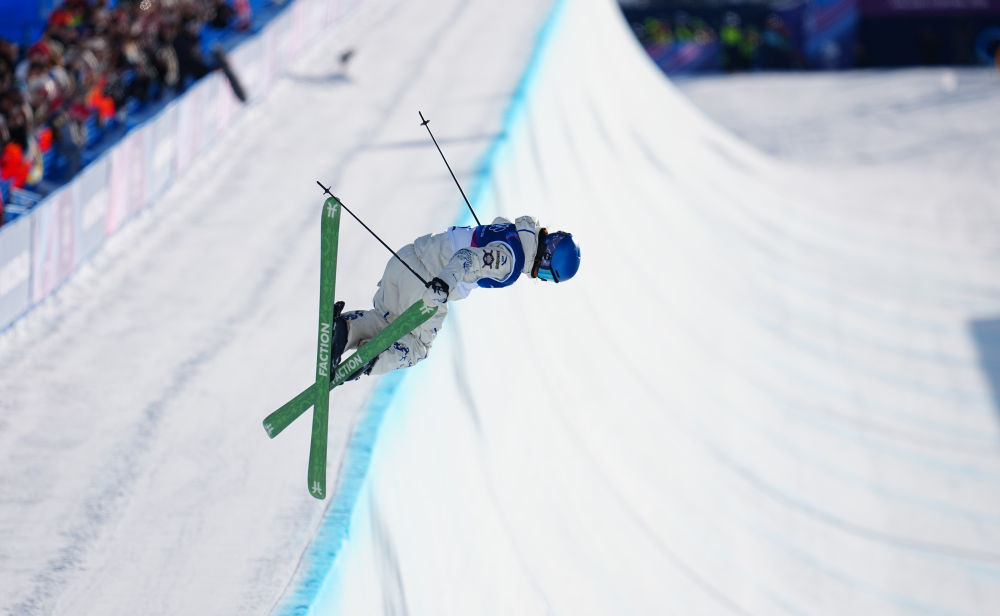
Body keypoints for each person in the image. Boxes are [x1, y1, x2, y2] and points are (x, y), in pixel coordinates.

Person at [331, 214, 581, 379]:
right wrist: (443, 284)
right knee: (418, 348)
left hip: (404, 259)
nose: (540, 277)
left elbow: (490, 233)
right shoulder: (510, 262)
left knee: (385, 320)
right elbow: (466, 258)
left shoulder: (514, 232)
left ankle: (344, 331)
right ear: (547, 258)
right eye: (547, 274)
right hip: (427, 282)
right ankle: (368, 359)